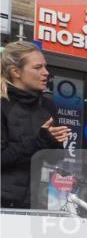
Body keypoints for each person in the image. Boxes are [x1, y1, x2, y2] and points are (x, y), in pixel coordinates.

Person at [1, 41, 70, 208]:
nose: (46, 73)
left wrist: (55, 143)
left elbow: (54, 159)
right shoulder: (2, 105)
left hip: (34, 203)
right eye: (38, 68)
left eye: (45, 67)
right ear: (16, 72)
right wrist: (40, 140)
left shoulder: (48, 106)